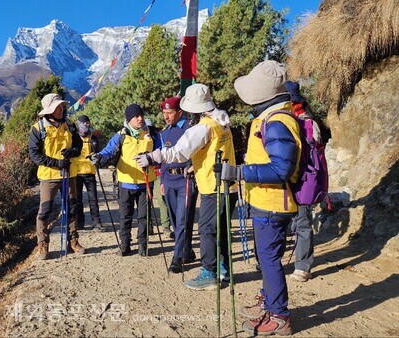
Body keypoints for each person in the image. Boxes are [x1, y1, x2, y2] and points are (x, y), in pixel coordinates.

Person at [219, 60, 300, 335]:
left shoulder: (277, 122)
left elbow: (281, 169)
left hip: (273, 204)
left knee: (268, 259)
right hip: (267, 202)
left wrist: (240, 172)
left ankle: (279, 316)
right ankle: (270, 302)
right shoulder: (273, 118)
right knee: (266, 257)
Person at [134, 84, 236, 287]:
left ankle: (209, 272)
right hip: (228, 183)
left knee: (207, 229)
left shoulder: (205, 126)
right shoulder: (222, 122)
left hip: (213, 185)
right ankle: (224, 268)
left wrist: (152, 157)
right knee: (221, 229)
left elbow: (179, 151)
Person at [89, 104, 160, 256]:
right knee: (125, 216)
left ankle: (143, 245)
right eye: (136, 116)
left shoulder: (152, 133)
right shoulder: (121, 135)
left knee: (144, 216)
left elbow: (161, 152)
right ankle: (125, 245)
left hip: (145, 182)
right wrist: (98, 157)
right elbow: (108, 151)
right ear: (129, 119)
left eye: (141, 115)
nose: (140, 118)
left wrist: (153, 161)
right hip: (125, 182)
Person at [28, 93, 86, 260]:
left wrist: (73, 151)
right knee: (45, 210)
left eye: (62, 107)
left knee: (72, 208)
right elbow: (34, 154)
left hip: (69, 173)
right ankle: (43, 243)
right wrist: (56, 163)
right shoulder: (38, 128)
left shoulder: (69, 124)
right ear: (49, 110)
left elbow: (78, 144)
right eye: (57, 107)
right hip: (49, 176)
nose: (61, 110)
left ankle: (73, 241)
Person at [285, 81, 322, 283]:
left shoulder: (309, 124)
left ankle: (303, 266)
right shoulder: (285, 120)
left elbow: (314, 156)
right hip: (286, 177)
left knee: (303, 221)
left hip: (303, 180)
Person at [157, 96, 196, 273]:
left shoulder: (191, 129)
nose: (166, 116)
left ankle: (177, 257)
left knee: (182, 220)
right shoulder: (165, 132)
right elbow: (164, 159)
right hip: (170, 180)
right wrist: (163, 180)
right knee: (175, 220)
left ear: (180, 112)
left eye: (170, 112)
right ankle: (187, 251)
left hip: (186, 180)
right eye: (164, 113)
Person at [72, 115, 103, 231]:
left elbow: (99, 152)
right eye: (84, 123)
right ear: (79, 124)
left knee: (93, 199)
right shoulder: (74, 137)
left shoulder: (93, 138)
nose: (86, 125)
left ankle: (97, 223)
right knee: (78, 199)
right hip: (77, 172)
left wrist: (97, 158)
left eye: (87, 123)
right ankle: (80, 223)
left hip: (90, 172)